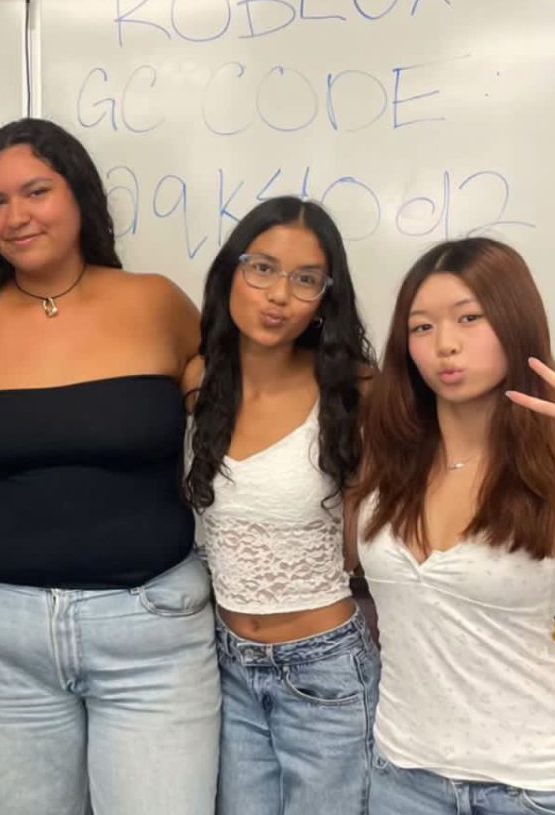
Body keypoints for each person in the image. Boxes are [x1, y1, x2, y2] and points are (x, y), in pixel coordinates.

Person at [0, 118, 218, 815]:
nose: (16, 216)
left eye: (36, 191)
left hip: (150, 633)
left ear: (79, 195)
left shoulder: (156, 302)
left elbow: (248, 404)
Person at [352, 237, 555, 815]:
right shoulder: (386, 467)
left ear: (514, 323)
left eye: (469, 318)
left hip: (539, 787)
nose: (446, 345)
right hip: (403, 778)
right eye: (422, 327)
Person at [184, 196, 380, 814]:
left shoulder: (354, 390)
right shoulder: (197, 381)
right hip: (226, 665)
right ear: (230, 273)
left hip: (325, 670)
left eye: (305, 280)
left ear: (326, 296)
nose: (278, 296)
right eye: (261, 268)